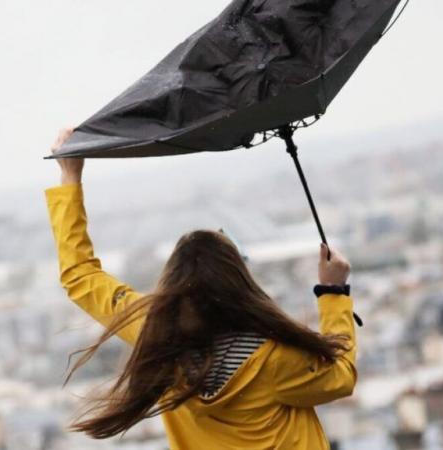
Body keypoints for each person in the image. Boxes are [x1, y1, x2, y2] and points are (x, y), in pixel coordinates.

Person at [46, 127, 357, 450]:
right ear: (240, 283)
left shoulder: (154, 336)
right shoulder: (276, 359)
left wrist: (70, 175)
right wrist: (333, 292)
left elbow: (79, 275)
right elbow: (342, 376)